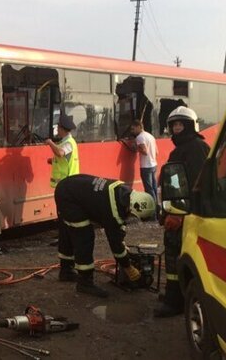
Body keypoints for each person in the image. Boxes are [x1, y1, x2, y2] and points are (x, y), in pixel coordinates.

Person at [54, 174, 156, 297]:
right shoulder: (113, 210)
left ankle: (66, 271)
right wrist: (128, 266)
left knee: (68, 230)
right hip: (69, 197)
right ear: (133, 206)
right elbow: (115, 245)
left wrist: (120, 240)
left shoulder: (123, 191)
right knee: (84, 236)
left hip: (69, 186)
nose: (131, 217)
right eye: (133, 215)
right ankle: (85, 282)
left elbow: (118, 227)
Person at [154, 106, 210, 318]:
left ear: (190, 126)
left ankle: (174, 301)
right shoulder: (186, 148)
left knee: (175, 256)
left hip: (184, 213)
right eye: (174, 125)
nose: (177, 129)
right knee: (173, 255)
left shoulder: (195, 148)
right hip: (177, 208)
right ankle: (174, 294)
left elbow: (196, 183)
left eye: (181, 125)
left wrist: (179, 213)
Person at [45, 114, 81, 282]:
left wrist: (49, 143)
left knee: (65, 222)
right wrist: (52, 161)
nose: (56, 131)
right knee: (64, 221)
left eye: (58, 128)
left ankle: (67, 262)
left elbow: (60, 152)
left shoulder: (67, 143)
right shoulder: (67, 142)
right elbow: (62, 158)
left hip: (66, 187)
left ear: (62, 129)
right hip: (66, 186)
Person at [130, 120, 159, 214]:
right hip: (154, 164)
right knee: (154, 188)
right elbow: (156, 152)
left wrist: (135, 146)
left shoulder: (140, 137)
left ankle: (153, 213)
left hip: (146, 166)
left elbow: (144, 151)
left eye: (133, 129)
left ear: (139, 127)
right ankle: (158, 209)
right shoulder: (150, 136)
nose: (132, 131)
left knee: (149, 190)